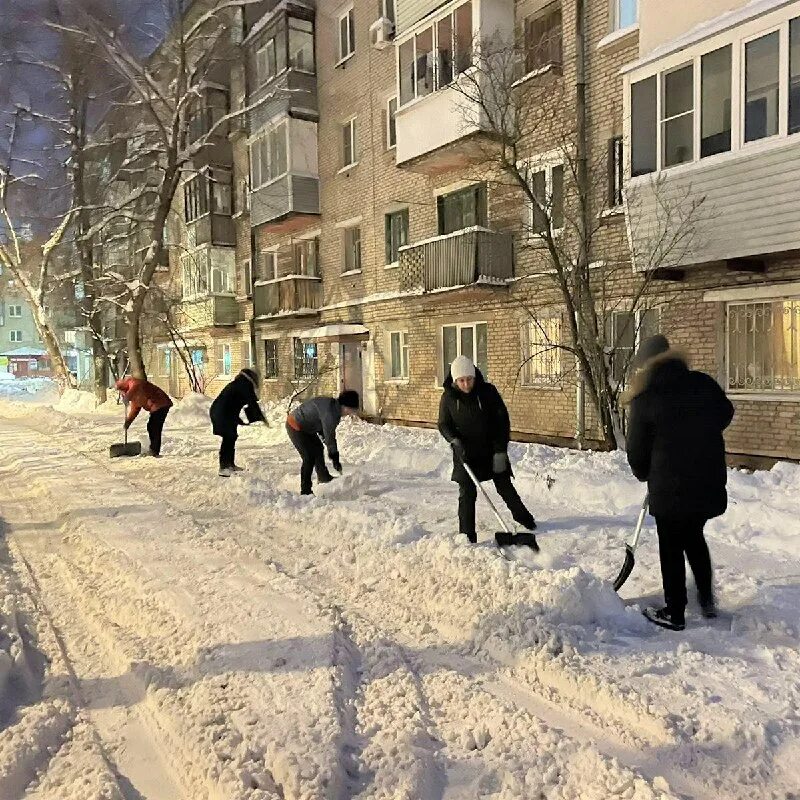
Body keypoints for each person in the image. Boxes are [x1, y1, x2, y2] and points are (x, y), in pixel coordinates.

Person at [625, 335, 735, 631]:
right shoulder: (703, 384)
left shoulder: (646, 397)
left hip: (670, 487)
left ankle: (675, 612)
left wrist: (644, 471)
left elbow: (635, 450)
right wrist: (700, 433)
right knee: (694, 537)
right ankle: (707, 601)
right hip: (706, 480)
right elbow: (726, 413)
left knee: (671, 546)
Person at [438, 355, 537, 545]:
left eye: (469, 379)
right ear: (455, 380)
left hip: (491, 448)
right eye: (461, 380)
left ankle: (524, 519)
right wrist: (454, 440)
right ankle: (467, 535)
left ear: (475, 376)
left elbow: (502, 421)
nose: (466, 384)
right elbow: (443, 424)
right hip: (465, 452)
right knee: (467, 492)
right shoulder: (448, 397)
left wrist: (500, 451)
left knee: (504, 485)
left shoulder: (488, 392)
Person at [286, 390, 360, 495]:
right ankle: (305, 490)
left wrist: (333, 454)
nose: (350, 413)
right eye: (351, 410)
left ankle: (323, 477)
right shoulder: (330, 413)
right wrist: (334, 455)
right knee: (308, 456)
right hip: (295, 425)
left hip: (307, 428)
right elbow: (329, 434)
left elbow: (325, 432)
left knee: (318, 448)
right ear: (344, 406)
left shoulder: (334, 408)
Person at [210, 368, 266, 477]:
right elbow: (251, 401)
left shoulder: (240, 384)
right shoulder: (243, 385)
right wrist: (260, 417)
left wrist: (242, 420)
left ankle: (230, 464)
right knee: (228, 437)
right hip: (222, 413)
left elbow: (237, 403)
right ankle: (224, 467)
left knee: (231, 437)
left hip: (224, 413)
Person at [115, 376, 173, 457]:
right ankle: (154, 450)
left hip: (160, 403)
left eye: (122, 391)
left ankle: (154, 451)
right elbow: (135, 410)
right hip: (157, 406)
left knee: (154, 427)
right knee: (152, 427)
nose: (123, 394)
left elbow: (136, 385)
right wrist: (128, 422)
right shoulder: (134, 396)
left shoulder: (133, 382)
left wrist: (128, 396)